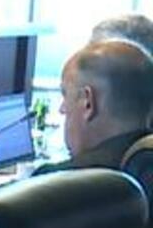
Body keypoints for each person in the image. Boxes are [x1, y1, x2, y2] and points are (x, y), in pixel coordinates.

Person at [35, 39, 153, 174]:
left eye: (65, 95)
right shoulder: (145, 165)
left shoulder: (53, 180)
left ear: (88, 102)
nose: (62, 109)